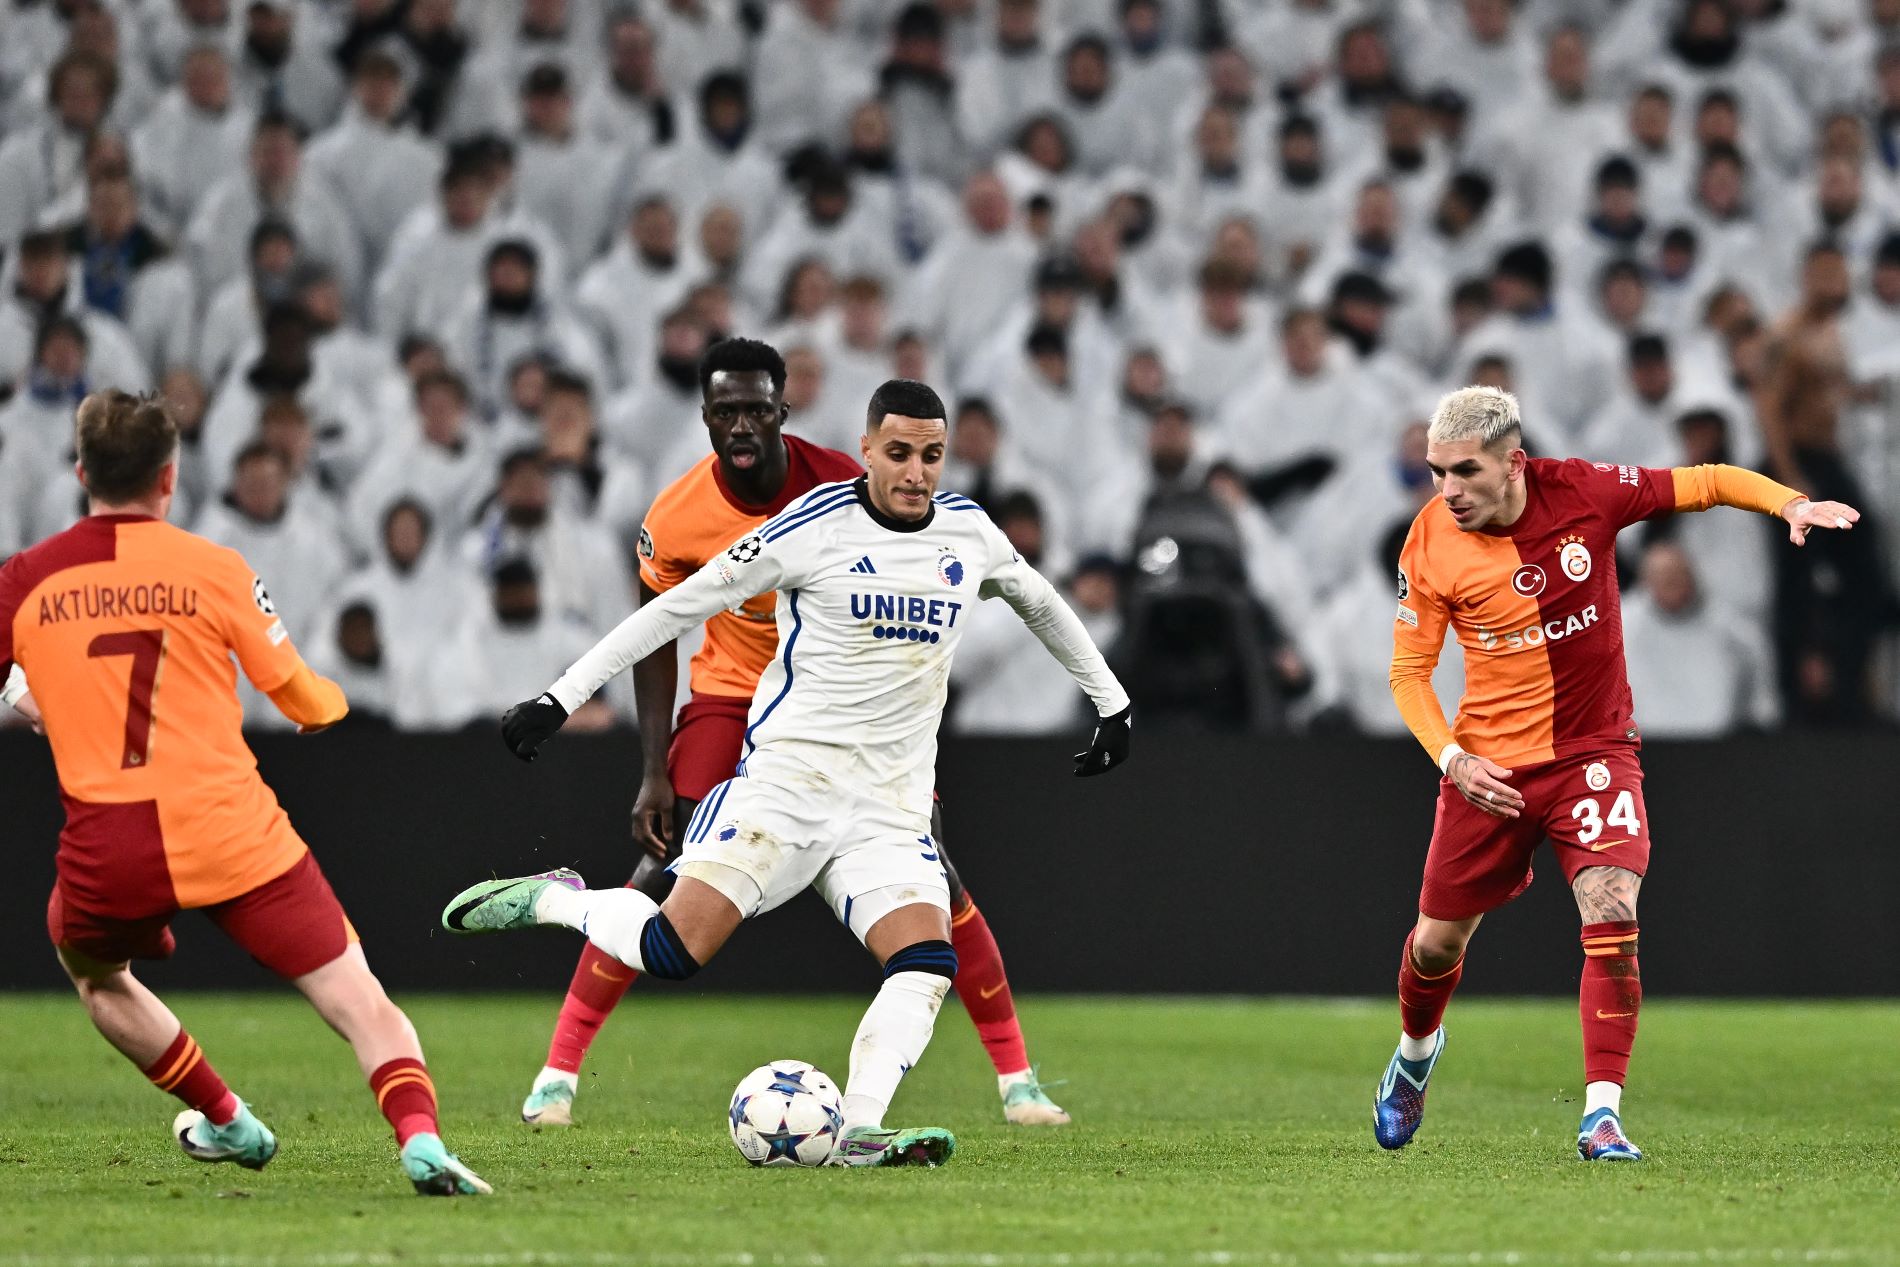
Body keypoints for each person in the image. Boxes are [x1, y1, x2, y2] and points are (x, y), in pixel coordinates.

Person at [443, 375, 1132, 1167]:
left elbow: (1039, 601)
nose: (916, 472)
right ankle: (560, 900)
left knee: (925, 961)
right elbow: (676, 607)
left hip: (888, 808)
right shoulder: (813, 526)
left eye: (932, 457)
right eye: (900, 453)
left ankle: (861, 1129)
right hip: (786, 790)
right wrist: (561, 697)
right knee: (673, 951)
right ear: (866, 449)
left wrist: (1112, 704)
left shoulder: (969, 533)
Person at [0, 390, 488, 1196]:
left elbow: (26, 690)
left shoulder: (23, 579)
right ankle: (421, 1137)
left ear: (81, 471)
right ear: (170, 477)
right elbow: (302, 696)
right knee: (357, 996)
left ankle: (224, 1116)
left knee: (91, 965)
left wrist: (40, 704)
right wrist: (323, 706)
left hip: (110, 847)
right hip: (231, 832)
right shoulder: (216, 567)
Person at [1375, 385, 1859, 1161]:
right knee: (1435, 945)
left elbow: (1702, 482)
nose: (1448, 490)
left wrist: (1789, 504)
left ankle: (1601, 1114)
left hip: (1592, 755)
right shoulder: (1429, 541)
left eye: (1464, 471)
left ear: (1513, 461)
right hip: (1487, 769)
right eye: (1436, 472)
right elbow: (1408, 674)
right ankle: (1415, 1056)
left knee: (1611, 911)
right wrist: (1454, 759)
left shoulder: (1585, 492)